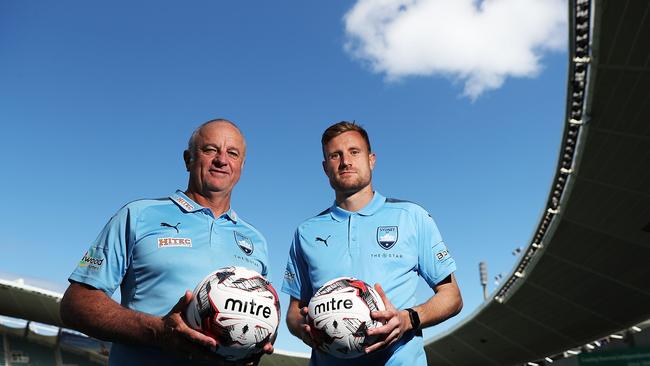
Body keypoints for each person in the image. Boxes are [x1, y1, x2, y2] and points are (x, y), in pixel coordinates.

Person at [60, 119, 274, 366]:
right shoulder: (138, 215)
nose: (221, 160)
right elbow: (75, 304)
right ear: (188, 159)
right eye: (210, 150)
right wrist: (158, 332)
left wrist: (254, 346)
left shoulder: (257, 241)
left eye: (232, 153)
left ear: (241, 166)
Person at [282, 121, 463, 365]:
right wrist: (302, 328)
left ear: (371, 159)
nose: (345, 161)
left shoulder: (411, 216)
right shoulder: (306, 232)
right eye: (335, 155)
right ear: (326, 168)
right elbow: (294, 311)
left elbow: (452, 296)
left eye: (354, 152)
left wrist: (408, 319)